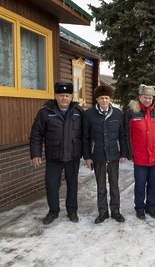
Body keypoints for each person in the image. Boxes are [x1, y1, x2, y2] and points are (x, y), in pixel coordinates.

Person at [30, 82, 83, 225]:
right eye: (61, 95)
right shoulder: (45, 112)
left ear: (71, 96)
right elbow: (36, 134)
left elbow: (86, 134)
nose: (64, 98)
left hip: (73, 155)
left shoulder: (78, 111)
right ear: (55, 96)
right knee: (52, 185)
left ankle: (72, 211)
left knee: (72, 184)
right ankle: (53, 211)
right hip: (54, 156)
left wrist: (88, 155)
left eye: (67, 95)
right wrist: (36, 154)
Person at [83, 85, 128, 224]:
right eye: (101, 98)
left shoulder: (117, 113)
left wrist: (123, 153)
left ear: (110, 99)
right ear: (97, 99)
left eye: (106, 98)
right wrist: (87, 157)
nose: (104, 101)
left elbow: (122, 135)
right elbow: (85, 137)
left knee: (114, 185)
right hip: (98, 156)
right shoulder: (89, 114)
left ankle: (116, 211)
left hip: (114, 155)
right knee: (101, 186)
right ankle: (103, 212)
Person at [124, 84, 155, 220]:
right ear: (139, 97)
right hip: (140, 156)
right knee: (140, 184)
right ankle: (139, 208)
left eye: (150, 97)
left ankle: (151, 207)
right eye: (145, 97)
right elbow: (126, 134)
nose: (147, 100)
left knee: (154, 184)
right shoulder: (132, 111)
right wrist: (129, 153)